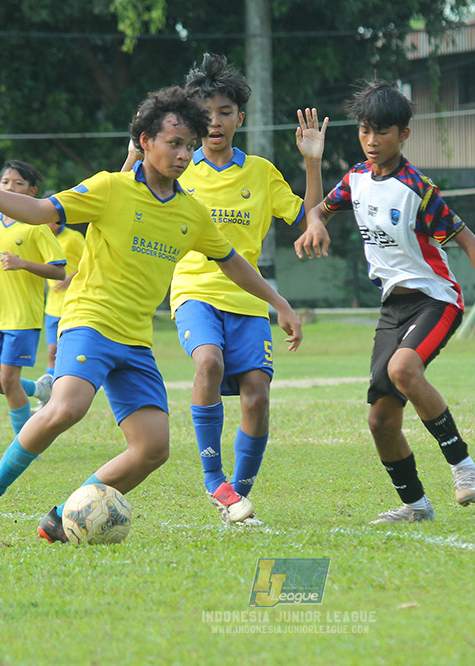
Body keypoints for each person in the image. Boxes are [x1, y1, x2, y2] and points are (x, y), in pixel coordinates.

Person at [0, 85, 302, 543]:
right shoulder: (109, 188)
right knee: (68, 406)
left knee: (153, 448)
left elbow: (232, 261)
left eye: (190, 146)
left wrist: (279, 303)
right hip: (89, 321)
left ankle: (65, 515)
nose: (184, 154)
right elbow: (38, 210)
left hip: (135, 341)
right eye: (174, 143)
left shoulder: (190, 212)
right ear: (145, 141)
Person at [295, 81, 475, 524]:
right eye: (365, 130)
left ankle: (464, 468)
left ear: (404, 135)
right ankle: (416, 505)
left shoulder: (416, 189)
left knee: (403, 370)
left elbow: (471, 244)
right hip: (392, 309)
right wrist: (313, 171)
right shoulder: (356, 180)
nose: (371, 140)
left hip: (436, 300)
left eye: (382, 131)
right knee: (380, 421)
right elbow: (317, 211)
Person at [122, 54, 325, 526]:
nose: (215, 121)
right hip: (193, 290)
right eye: (206, 111)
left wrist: (312, 164)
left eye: (225, 112)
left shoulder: (259, 172)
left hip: (248, 296)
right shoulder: (176, 165)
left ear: (240, 118)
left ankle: (239, 493)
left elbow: (308, 218)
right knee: (208, 361)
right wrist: (133, 155)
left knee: (257, 394)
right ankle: (215, 480)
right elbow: (124, 192)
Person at [0, 160, 66, 435]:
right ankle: (40, 389)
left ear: (32, 192)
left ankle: (23, 442)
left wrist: (23, 264)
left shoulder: (37, 226)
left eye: (19, 183)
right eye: (6, 182)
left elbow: (58, 271)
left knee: (9, 381)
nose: (11, 187)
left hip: (22, 317)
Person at [40, 218, 85, 378]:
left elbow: (91, 262)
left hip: (74, 304)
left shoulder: (73, 237)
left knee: (72, 353)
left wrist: (69, 278)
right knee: (52, 352)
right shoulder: (40, 237)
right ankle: (50, 392)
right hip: (52, 306)